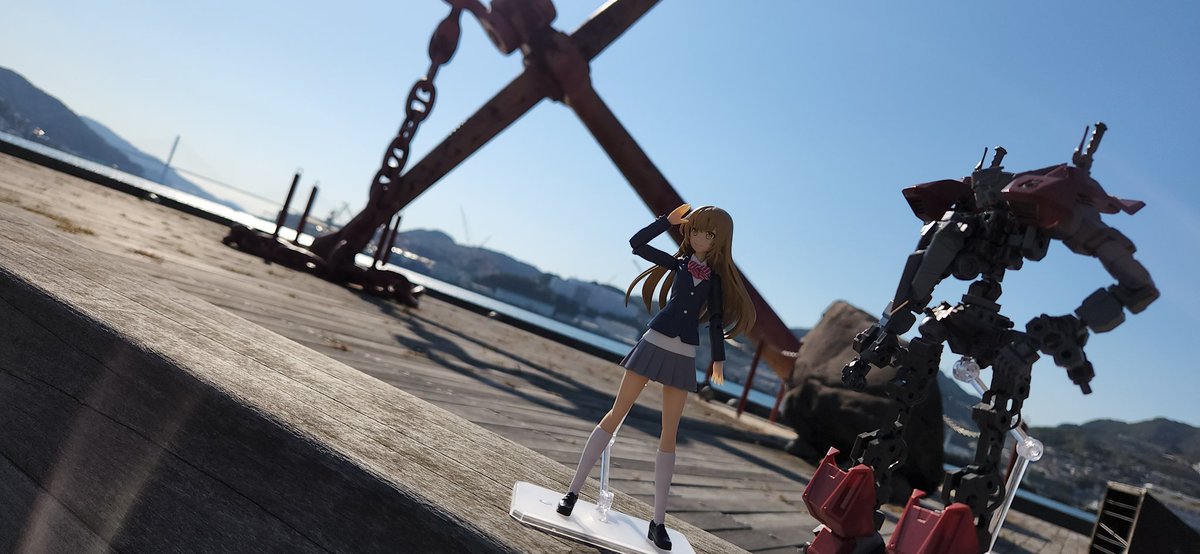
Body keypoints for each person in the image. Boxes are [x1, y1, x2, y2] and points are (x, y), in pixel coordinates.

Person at [556, 203, 755, 550]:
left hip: (684, 351)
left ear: (719, 240)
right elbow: (637, 244)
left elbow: (716, 321)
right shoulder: (679, 264)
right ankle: (572, 492)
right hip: (655, 340)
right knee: (616, 414)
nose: (700, 238)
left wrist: (718, 360)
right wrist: (666, 221)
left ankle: (658, 521)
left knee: (669, 434)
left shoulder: (715, 281)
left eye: (708, 234)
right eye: (696, 230)